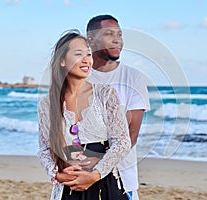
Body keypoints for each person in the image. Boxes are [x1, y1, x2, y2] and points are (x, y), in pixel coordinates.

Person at [37, 29, 131, 200]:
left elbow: (122, 142)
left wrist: (95, 175)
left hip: (105, 185)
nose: (87, 59)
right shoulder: (47, 104)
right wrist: (56, 175)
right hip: (68, 189)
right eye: (79, 54)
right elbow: (44, 149)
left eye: (88, 54)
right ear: (62, 61)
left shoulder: (106, 94)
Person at [85, 15, 151, 200]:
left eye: (119, 34)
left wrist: (98, 171)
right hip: (81, 176)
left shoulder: (133, 78)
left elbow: (131, 135)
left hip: (121, 178)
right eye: (109, 34)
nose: (117, 40)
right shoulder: (78, 76)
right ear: (91, 39)